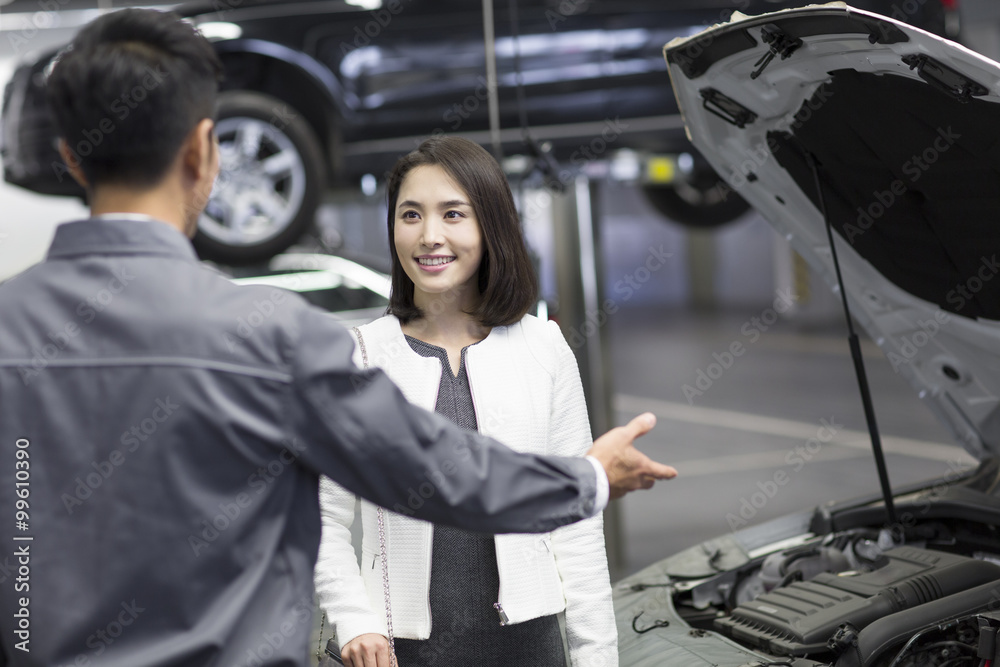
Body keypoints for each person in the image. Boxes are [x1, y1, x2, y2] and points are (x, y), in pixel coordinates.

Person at [0, 8, 677, 667]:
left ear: (68, 158)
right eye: (411, 213)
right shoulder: (270, 337)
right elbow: (438, 471)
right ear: (203, 150)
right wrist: (587, 478)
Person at [315, 136, 621, 667]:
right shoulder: (360, 356)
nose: (430, 235)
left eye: (453, 214)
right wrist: (355, 621)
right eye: (411, 214)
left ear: (491, 226)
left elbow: (575, 529)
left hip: (530, 651)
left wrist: (598, 658)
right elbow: (322, 516)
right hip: (398, 653)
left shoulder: (543, 349)